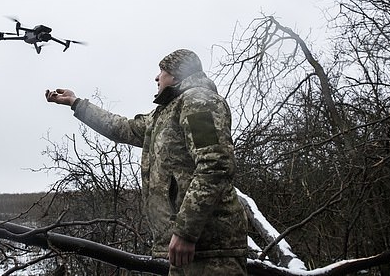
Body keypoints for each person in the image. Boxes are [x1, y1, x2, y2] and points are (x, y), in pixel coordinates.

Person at [45, 49, 248, 275]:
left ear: (177, 74)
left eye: (162, 71)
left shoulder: (198, 102)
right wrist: (75, 103)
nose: (156, 77)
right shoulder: (163, 114)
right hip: (183, 252)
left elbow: (215, 165)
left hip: (209, 253)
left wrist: (186, 231)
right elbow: (121, 128)